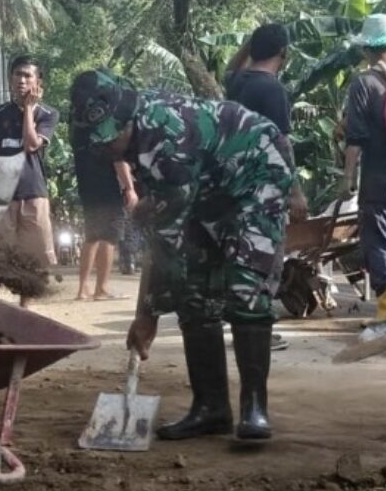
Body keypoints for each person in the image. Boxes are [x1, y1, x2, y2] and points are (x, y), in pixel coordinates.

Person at [71, 69, 294, 442]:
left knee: (245, 287)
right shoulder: (136, 138)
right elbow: (167, 235)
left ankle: (255, 409)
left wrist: (147, 316)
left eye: (110, 139)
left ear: (127, 120)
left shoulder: (167, 141)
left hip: (256, 175)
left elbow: (166, 246)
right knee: (194, 294)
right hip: (209, 188)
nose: (107, 149)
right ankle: (211, 408)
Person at [224, 22, 309, 350]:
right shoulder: (272, 90)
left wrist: (249, 45)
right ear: (284, 54)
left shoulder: (238, 83)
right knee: (268, 256)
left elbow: (233, 66)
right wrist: (295, 191)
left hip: (236, 182)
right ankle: (256, 330)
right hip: (265, 185)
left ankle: (245, 325)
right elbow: (283, 144)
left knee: (243, 253)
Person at [0, 54, 60, 308]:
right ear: (10, 78)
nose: (22, 80)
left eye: (28, 75)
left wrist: (28, 109)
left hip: (33, 192)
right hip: (1, 192)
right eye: (17, 74)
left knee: (32, 256)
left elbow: (31, 144)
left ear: (38, 81)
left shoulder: (48, 114)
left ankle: (24, 309)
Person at [342, 14, 386, 313]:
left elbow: (354, 138)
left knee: (379, 243)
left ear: (367, 49)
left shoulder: (363, 84)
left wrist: (348, 179)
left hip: (380, 179)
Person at [70, 125, 128, 300]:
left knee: (92, 237)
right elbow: (119, 162)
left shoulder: (80, 136)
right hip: (108, 191)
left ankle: (82, 289)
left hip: (88, 190)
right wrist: (129, 187)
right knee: (109, 237)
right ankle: (101, 289)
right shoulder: (110, 134)